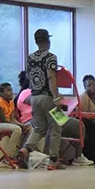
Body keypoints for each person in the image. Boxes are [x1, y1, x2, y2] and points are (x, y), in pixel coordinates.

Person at [23, 29, 64, 170]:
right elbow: (51, 77)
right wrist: (57, 97)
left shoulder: (30, 58)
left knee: (39, 128)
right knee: (57, 126)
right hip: (48, 97)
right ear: (48, 41)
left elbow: (28, 77)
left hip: (34, 97)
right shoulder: (51, 57)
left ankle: (26, 149)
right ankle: (53, 161)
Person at [0, 83, 30, 167]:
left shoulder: (11, 103)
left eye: (11, 90)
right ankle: (8, 157)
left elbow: (13, 119)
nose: (11, 93)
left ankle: (20, 156)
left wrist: (22, 125)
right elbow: (3, 120)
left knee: (29, 129)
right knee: (17, 129)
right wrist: (20, 126)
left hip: (6, 125)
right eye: (8, 90)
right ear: (1, 93)